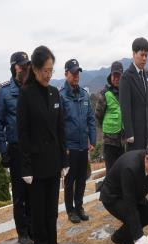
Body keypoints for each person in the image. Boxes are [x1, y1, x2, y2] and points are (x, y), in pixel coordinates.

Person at [17, 46, 66, 244]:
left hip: (53, 163)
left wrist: (64, 160)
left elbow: (60, 129)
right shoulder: (26, 94)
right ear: (35, 69)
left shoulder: (55, 93)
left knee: (52, 212)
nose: (48, 74)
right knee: (38, 214)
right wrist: (25, 167)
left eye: (51, 70)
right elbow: (23, 133)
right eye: (45, 70)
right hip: (35, 167)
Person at [100, 138, 148, 244]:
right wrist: (139, 237)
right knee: (132, 216)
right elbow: (130, 206)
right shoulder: (130, 168)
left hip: (133, 193)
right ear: (147, 159)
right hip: (113, 196)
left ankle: (118, 236)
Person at [0, 51, 33, 244]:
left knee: (33, 192)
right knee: (19, 195)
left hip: (33, 150)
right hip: (16, 149)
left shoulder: (32, 88)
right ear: (14, 68)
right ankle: (23, 232)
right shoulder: (3, 92)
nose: (25, 68)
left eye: (27, 65)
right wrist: (4, 151)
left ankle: (33, 227)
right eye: (21, 66)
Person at [60, 59, 96, 224]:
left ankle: (79, 206)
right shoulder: (61, 96)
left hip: (83, 145)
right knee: (70, 180)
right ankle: (70, 210)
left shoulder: (84, 94)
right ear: (66, 73)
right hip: (70, 147)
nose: (76, 76)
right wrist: (63, 147)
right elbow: (58, 124)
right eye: (73, 73)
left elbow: (91, 119)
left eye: (77, 73)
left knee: (82, 178)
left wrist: (93, 140)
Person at [119, 37, 148, 151]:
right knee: (136, 165)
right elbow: (125, 107)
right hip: (135, 134)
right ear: (134, 53)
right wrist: (129, 133)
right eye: (142, 54)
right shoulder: (126, 77)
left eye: (146, 55)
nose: (144, 58)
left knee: (147, 163)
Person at [95, 61, 124, 173]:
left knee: (122, 168)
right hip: (110, 140)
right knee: (111, 170)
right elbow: (98, 115)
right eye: (114, 76)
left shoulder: (125, 91)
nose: (117, 78)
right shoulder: (105, 93)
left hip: (124, 139)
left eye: (119, 76)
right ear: (111, 76)